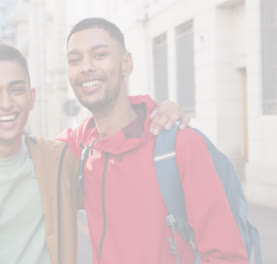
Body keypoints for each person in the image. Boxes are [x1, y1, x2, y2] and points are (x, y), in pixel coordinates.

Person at [0, 43, 189, 264]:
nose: (6, 103)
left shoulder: (57, 158)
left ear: (32, 98)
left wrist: (154, 112)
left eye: (16, 90)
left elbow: (104, 135)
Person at [58, 17, 249, 263]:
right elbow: (19, 152)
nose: (85, 67)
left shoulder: (180, 145)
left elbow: (227, 256)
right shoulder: (81, 146)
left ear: (126, 64)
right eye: (75, 60)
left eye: (99, 55)